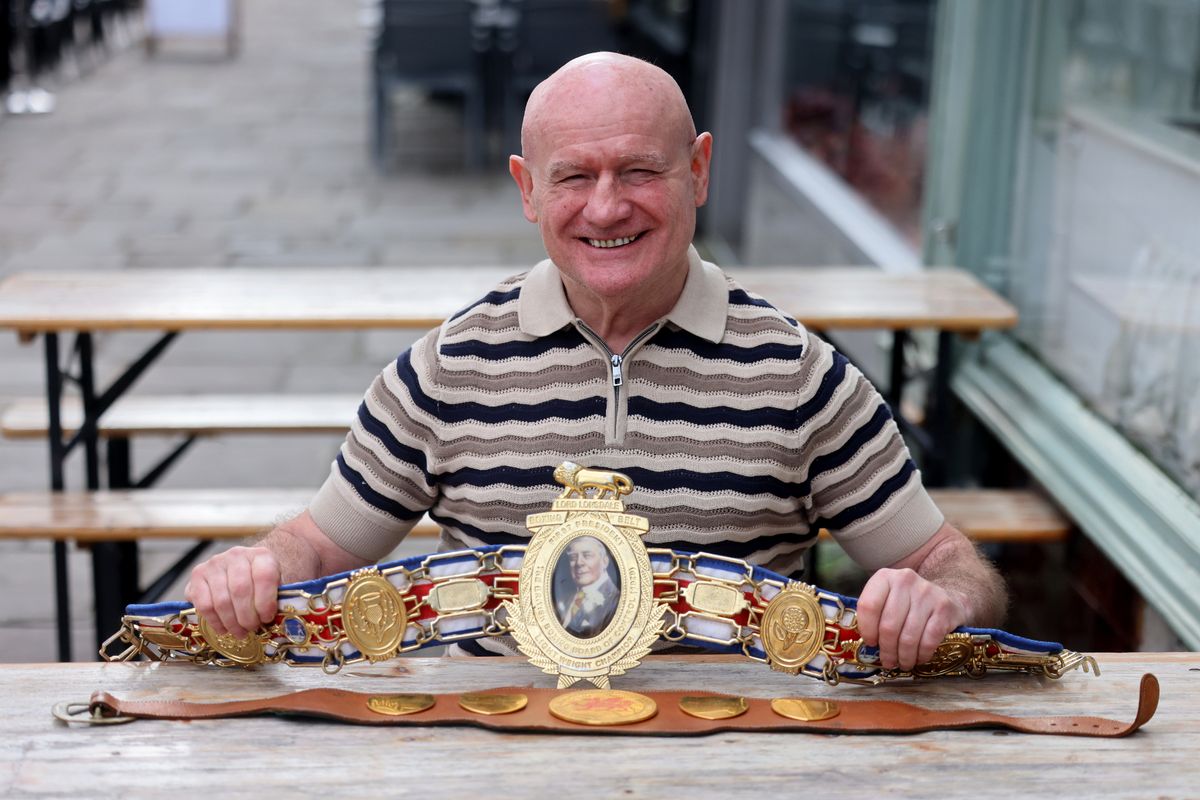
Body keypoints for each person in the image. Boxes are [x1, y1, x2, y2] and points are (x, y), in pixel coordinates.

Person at [186, 52, 1006, 672]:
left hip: (731, 772)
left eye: (640, 171)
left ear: (699, 171)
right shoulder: (447, 369)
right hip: (491, 764)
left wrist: (938, 599)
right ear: (527, 190)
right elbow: (320, 548)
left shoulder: (803, 379)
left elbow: (949, 567)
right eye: (573, 176)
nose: (606, 206)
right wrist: (256, 569)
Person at [555, 536, 621, 638]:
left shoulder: (616, 600)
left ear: (605, 561)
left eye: (587, 556)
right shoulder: (566, 599)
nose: (579, 563)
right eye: (573, 558)